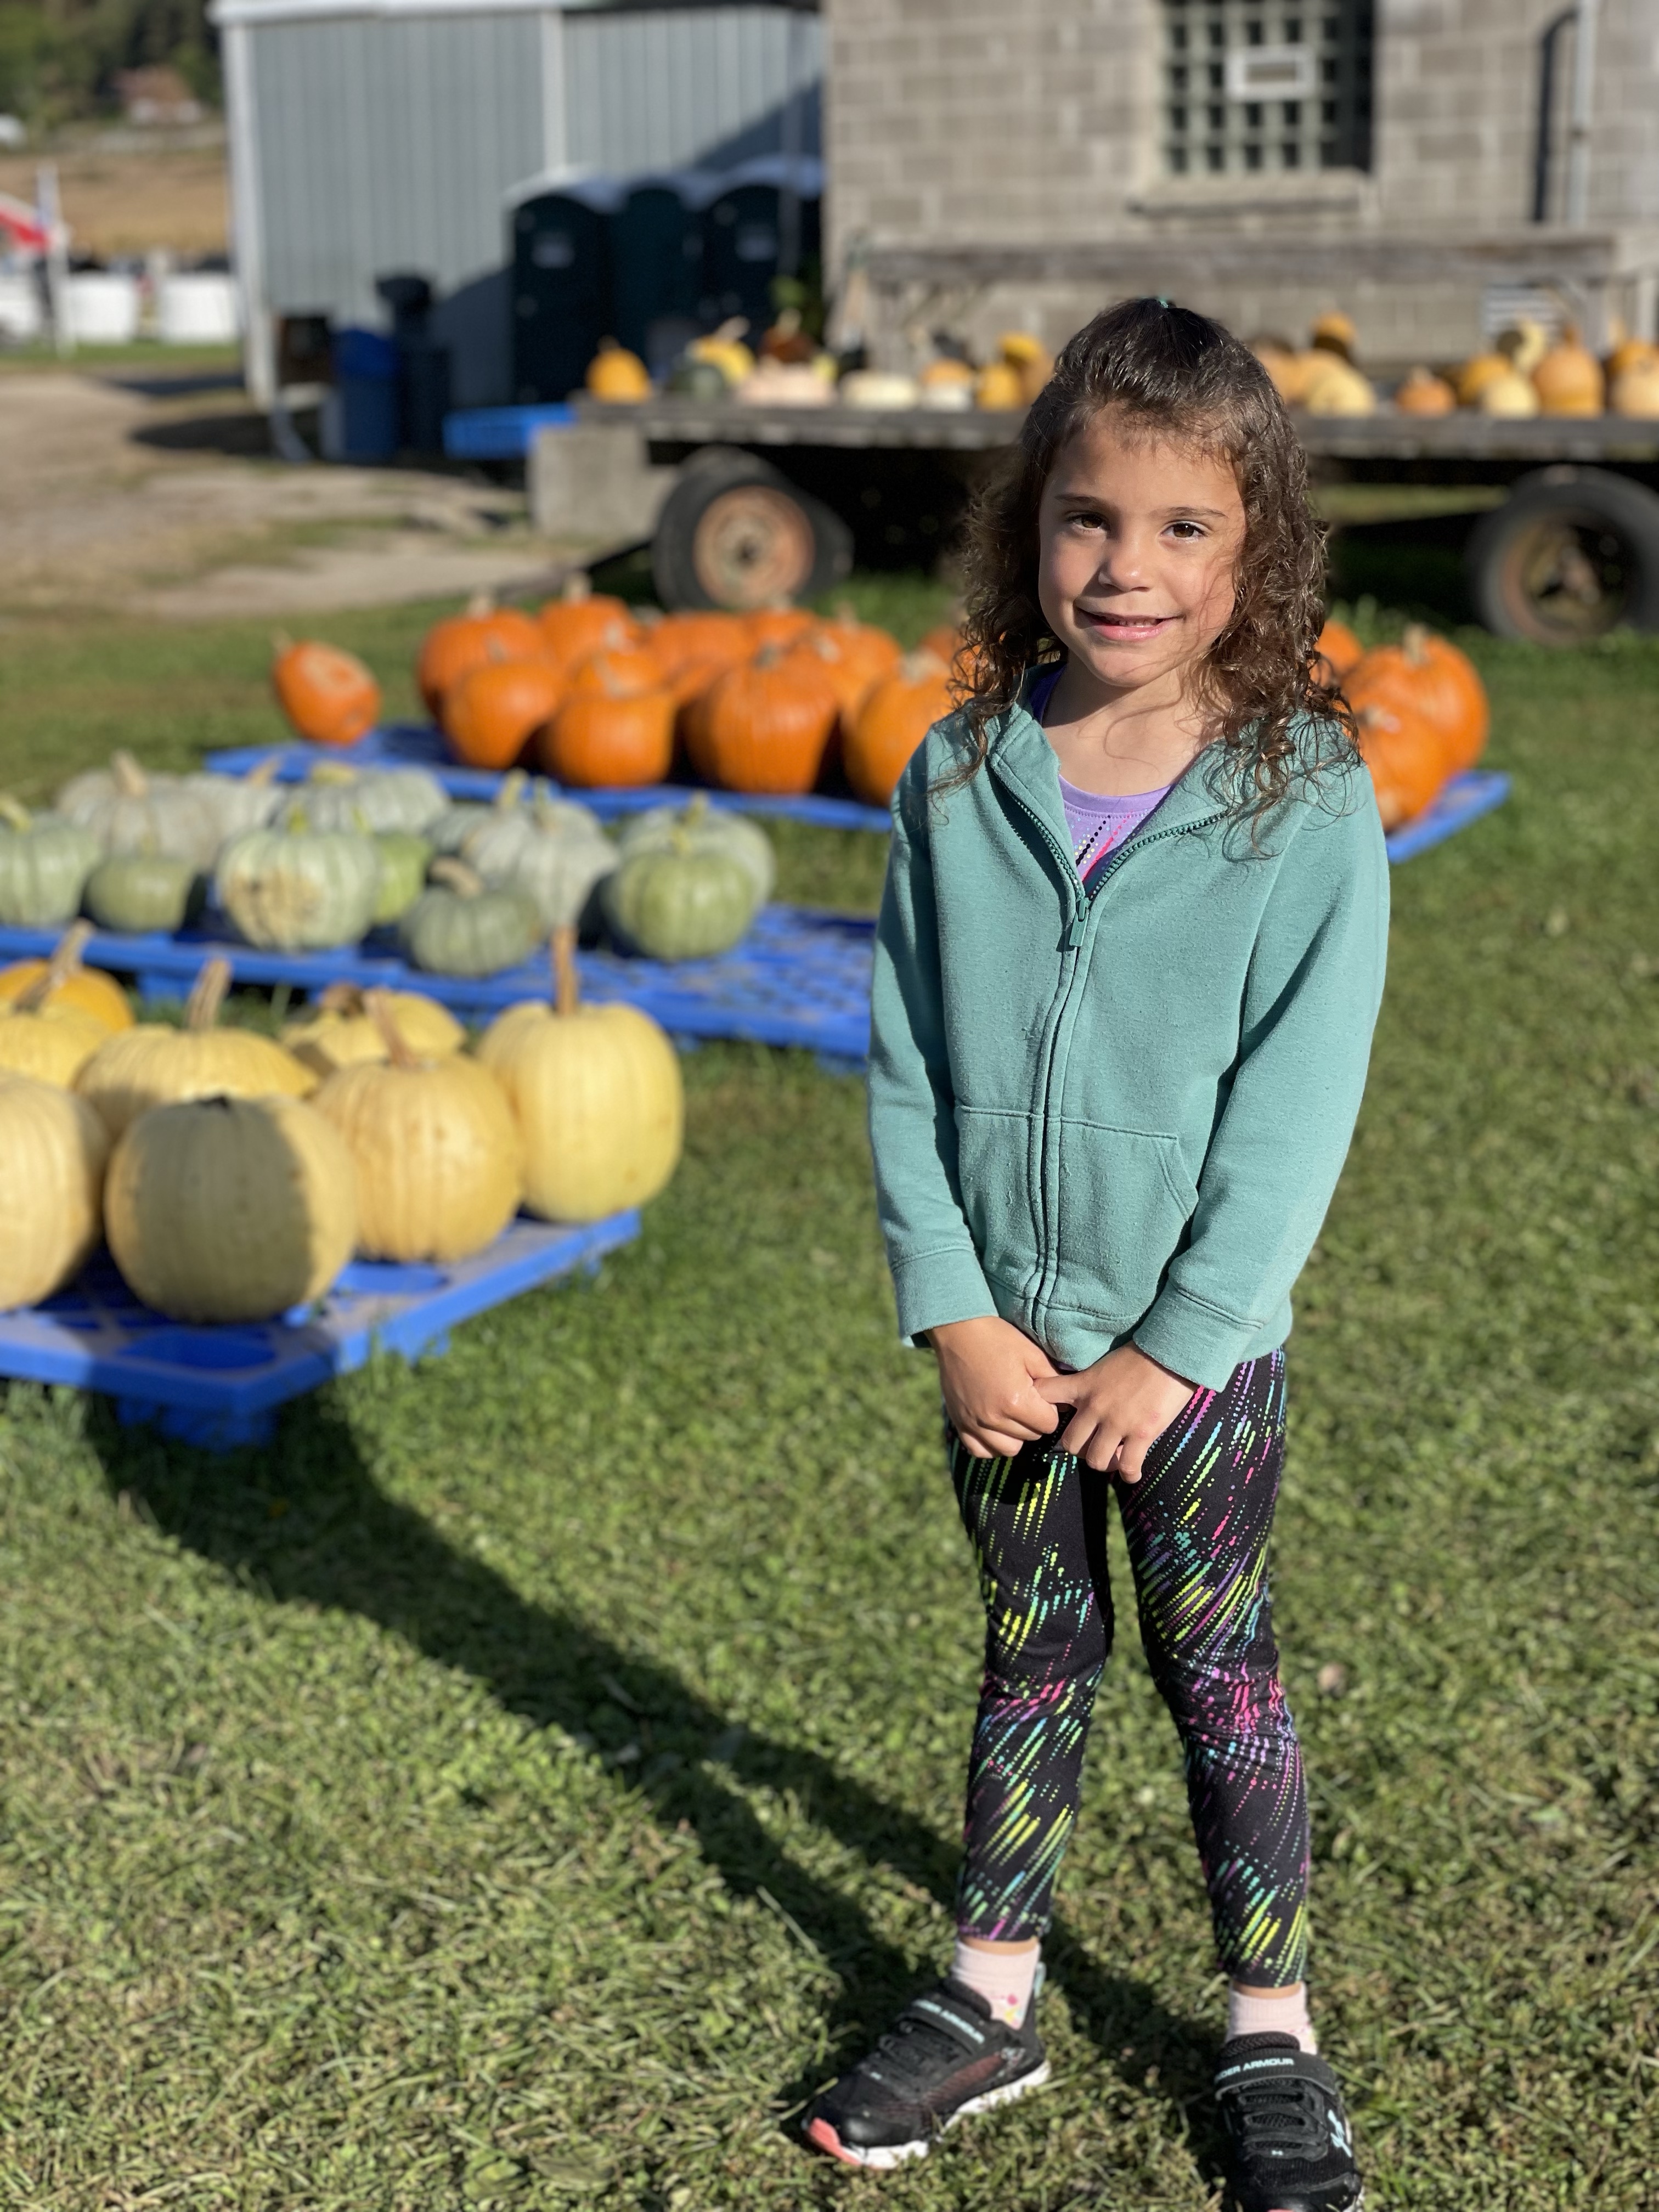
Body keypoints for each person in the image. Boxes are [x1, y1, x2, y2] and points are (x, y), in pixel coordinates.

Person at [804, 298, 1387, 2212]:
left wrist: (1183, 1339)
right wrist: (954, 1308)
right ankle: (992, 1997)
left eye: (1183, 527)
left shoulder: (1304, 796)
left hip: (1192, 1374)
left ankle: (1271, 2031)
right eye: (1089, 518)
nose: (1127, 566)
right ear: (1030, 526)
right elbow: (906, 1063)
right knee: (1032, 1655)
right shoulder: (959, 773)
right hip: (1008, 1355)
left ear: (1256, 547)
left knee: (1222, 1674)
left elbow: (1298, 1107)